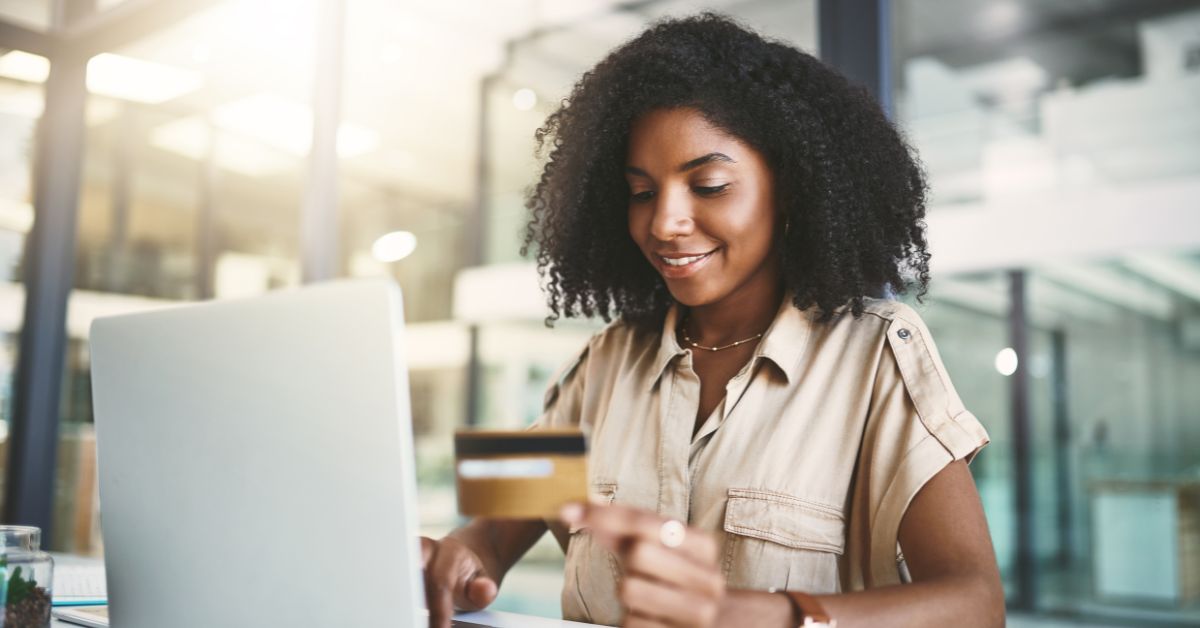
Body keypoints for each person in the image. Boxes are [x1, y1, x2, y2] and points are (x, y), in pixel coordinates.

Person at [420, 13, 1004, 628]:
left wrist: (764, 616)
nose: (664, 222)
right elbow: (489, 529)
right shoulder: (604, 359)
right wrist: (457, 556)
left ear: (791, 189)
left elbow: (976, 603)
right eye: (641, 193)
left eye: (710, 185)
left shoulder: (878, 352)